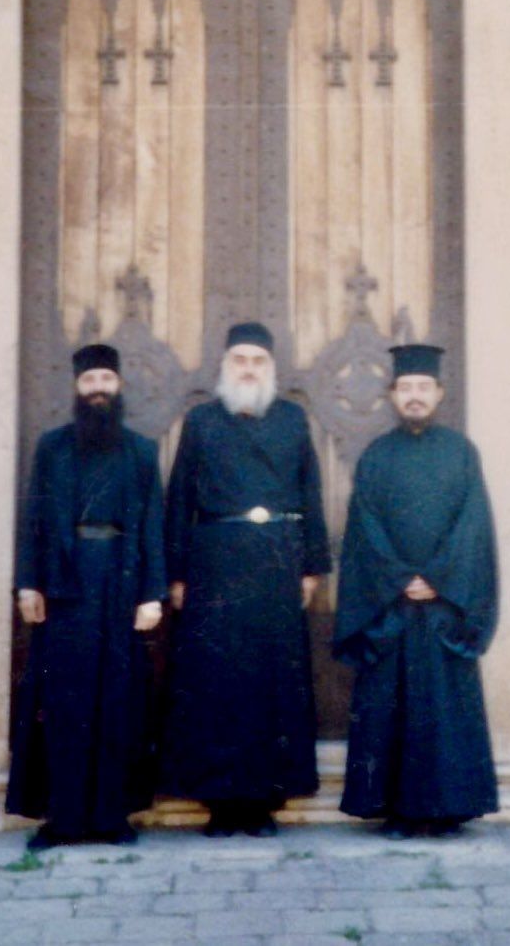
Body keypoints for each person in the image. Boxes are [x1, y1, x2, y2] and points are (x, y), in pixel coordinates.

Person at [161, 321, 331, 836]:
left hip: (277, 561)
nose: (249, 369)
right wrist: (176, 573)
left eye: (258, 361)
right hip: (215, 562)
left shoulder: (292, 420)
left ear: (270, 368)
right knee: (217, 684)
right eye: (240, 361)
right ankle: (219, 804)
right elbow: (179, 498)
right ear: (225, 367)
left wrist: (312, 566)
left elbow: (310, 491)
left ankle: (262, 802)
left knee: (270, 685)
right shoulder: (201, 421)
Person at [334, 343, 498, 838]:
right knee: (392, 706)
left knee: (443, 708)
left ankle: (448, 810)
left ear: (439, 393)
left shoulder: (461, 453)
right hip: (392, 607)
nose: (414, 396)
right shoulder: (377, 455)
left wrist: (440, 578)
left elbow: (473, 526)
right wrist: (400, 579)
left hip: (445, 605)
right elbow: (365, 526)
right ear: (392, 394)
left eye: (423, 387)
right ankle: (399, 812)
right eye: (406, 387)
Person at [7, 344, 166, 850]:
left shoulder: (141, 451)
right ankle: (63, 820)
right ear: (77, 388)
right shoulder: (51, 447)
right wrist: (27, 583)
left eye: (106, 380)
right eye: (90, 380)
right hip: (64, 585)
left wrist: (153, 594)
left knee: (117, 704)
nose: (99, 388)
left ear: (119, 386)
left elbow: (153, 524)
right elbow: (33, 518)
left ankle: (111, 819)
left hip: (121, 584)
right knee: (64, 704)